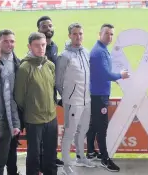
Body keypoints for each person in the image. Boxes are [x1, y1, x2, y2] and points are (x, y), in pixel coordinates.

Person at [87, 23, 130, 172]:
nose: (110, 37)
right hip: (99, 95)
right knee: (101, 127)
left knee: (94, 124)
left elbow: (101, 74)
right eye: (107, 33)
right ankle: (105, 159)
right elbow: (105, 74)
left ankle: (91, 151)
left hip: (98, 93)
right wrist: (121, 76)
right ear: (100, 34)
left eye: (112, 34)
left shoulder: (102, 50)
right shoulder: (99, 52)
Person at [14, 32, 58, 175]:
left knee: (51, 154)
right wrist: (33, 109)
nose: (41, 48)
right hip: (34, 121)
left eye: (43, 45)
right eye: (37, 45)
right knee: (34, 155)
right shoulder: (24, 68)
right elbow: (19, 98)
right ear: (29, 46)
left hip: (51, 118)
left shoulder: (50, 65)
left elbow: (52, 91)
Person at [56, 23, 97, 173]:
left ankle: (81, 157)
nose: (78, 36)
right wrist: (68, 96)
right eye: (74, 34)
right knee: (69, 132)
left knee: (83, 130)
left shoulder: (86, 52)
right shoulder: (64, 56)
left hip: (87, 99)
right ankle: (67, 165)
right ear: (69, 36)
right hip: (73, 101)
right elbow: (58, 81)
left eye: (80, 33)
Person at [0, 40, 21, 175]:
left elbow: (10, 100)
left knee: (0, 164)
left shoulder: (3, 73)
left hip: (5, 128)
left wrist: (16, 123)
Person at [36, 15, 65, 168]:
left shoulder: (54, 47)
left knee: (51, 132)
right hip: (40, 98)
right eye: (44, 27)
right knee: (41, 133)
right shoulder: (38, 48)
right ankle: (41, 162)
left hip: (52, 95)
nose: (48, 29)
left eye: (50, 26)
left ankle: (51, 157)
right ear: (38, 29)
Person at [0, 29, 23, 175]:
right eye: (5, 41)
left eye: (12, 41)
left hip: (14, 113)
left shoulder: (17, 62)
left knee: (12, 146)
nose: (9, 44)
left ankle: (12, 172)